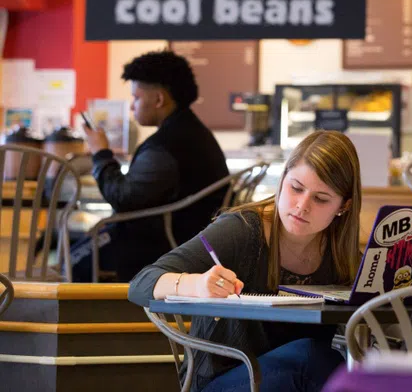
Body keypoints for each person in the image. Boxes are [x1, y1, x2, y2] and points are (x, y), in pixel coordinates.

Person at [128, 130, 361, 392]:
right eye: (296, 188)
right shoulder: (243, 231)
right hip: (223, 381)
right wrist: (197, 284)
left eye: (321, 199)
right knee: (313, 359)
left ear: (344, 206)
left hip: (295, 381)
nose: (302, 205)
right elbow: (140, 283)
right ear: (282, 179)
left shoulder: (342, 254)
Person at [72, 50, 229, 282]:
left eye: (136, 98)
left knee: (70, 256)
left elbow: (124, 199)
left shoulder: (165, 147)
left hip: (161, 247)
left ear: (158, 99)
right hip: (194, 241)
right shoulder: (194, 133)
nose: (133, 107)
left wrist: (101, 153)